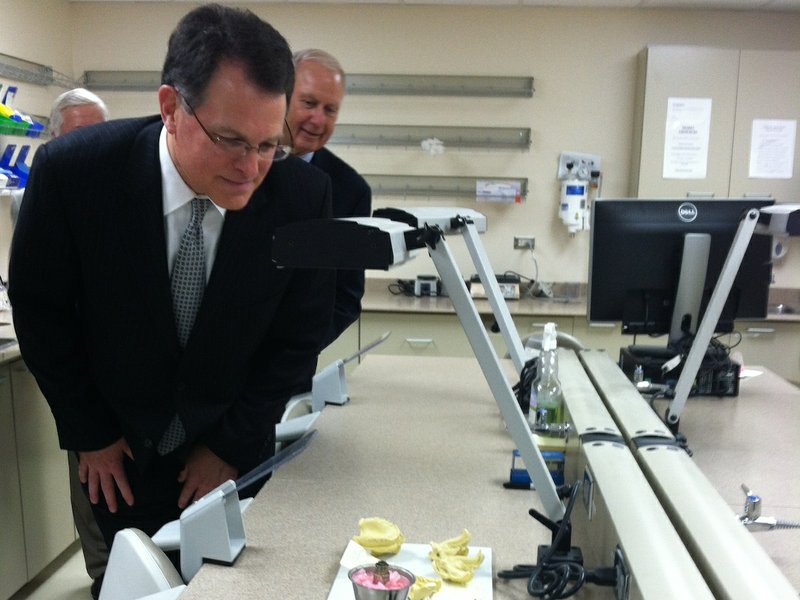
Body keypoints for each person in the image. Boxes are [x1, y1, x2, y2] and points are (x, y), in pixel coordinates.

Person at [9, 3, 335, 592]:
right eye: (230, 141)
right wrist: (90, 432)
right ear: (170, 108)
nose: (251, 168)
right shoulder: (75, 174)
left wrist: (229, 446)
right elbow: (42, 311)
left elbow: (297, 338)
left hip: (232, 456)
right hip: (114, 451)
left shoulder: (302, 197)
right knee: (125, 582)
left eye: (268, 145)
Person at [47, 87, 111, 599]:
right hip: (79, 379)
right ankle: (103, 579)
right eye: (76, 137)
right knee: (91, 481)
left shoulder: (125, 200)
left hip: (134, 378)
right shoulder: (46, 204)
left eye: (97, 135)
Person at [285, 49, 371, 348]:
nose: (318, 119)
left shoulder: (351, 191)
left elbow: (345, 299)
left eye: (330, 109)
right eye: (308, 103)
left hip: (290, 367)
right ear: (282, 96)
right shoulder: (239, 167)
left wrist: (296, 352)